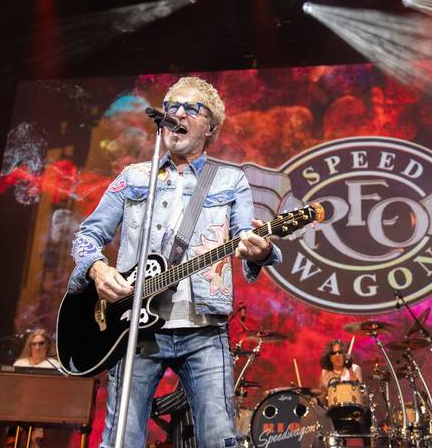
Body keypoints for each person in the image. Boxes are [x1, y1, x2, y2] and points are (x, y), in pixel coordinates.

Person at [67, 76, 281, 448]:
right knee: (122, 440)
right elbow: (87, 236)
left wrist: (259, 250)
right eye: (172, 106)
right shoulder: (134, 176)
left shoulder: (231, 180)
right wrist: (97, 268)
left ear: (210, 126)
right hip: (133, 329)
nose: (178, 113)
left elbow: (248, 239)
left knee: (219, 439)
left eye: (191, 108)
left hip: (203, 329)